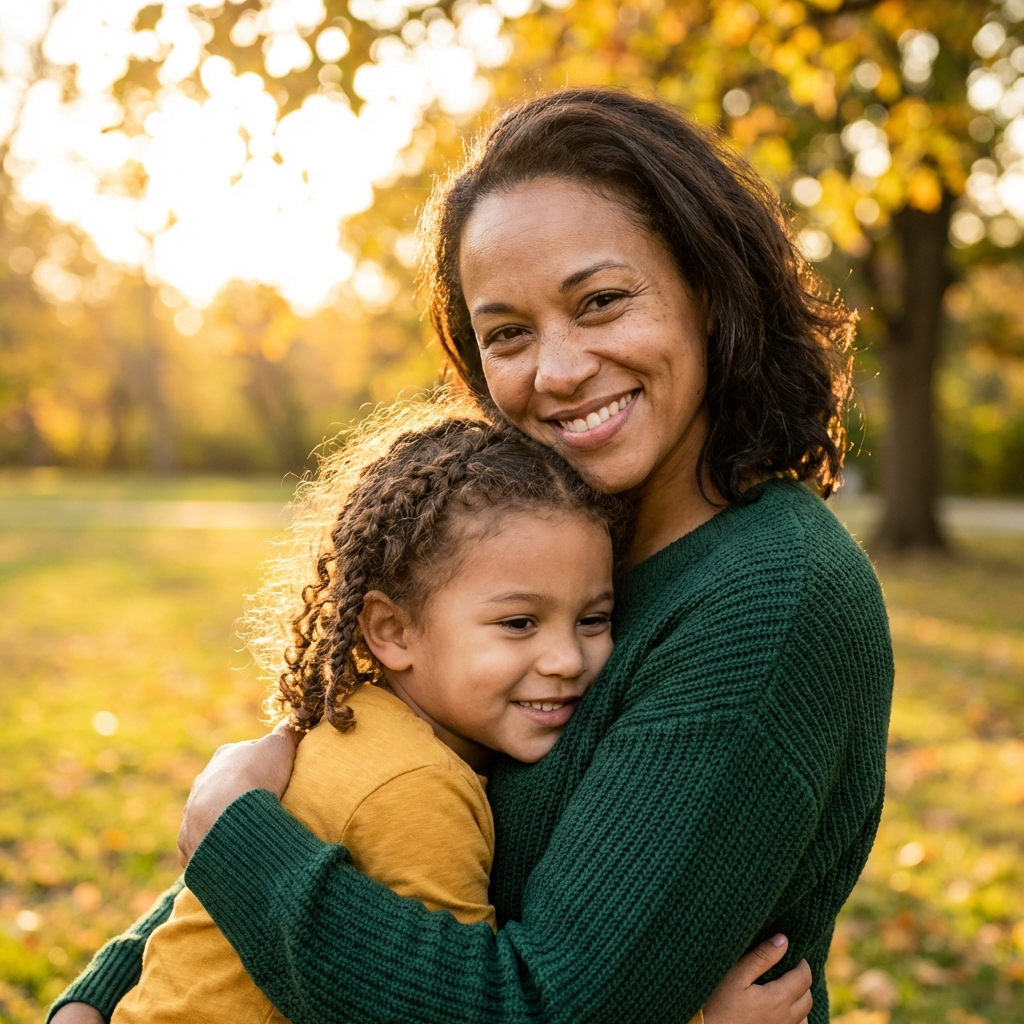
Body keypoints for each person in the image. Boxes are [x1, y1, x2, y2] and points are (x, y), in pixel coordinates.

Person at [50, 88, 893, 1024]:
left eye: (602, 301)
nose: (558, 370)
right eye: (508, 334)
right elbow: (340, 805)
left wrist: (236, 843)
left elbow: (536, 1007)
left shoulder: (772, 595)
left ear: (709, 288)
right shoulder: (545, 535)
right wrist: (105, 994)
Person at [97, 411, 810, 1024]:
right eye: (519, 622)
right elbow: (466, 1008)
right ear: (393, 631)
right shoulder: (416, 789)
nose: (566, 657)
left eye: (593, 618)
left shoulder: (354, 722)